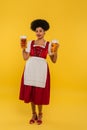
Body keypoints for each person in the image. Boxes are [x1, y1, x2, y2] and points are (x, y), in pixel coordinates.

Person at [19, 19, 59, 125]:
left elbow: (54, 61)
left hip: (41, 70)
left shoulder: (49, 45)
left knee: (39, 92)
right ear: (35, 32)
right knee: (31, 91)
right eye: (37, 31)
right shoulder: (30, 43)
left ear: (44, 32)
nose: (38, 33)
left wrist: (56, 51)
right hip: (31, 68)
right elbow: (25, 57)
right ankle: (33, 113)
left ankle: (40, 113)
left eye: (40, 31)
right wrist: (23, 48)